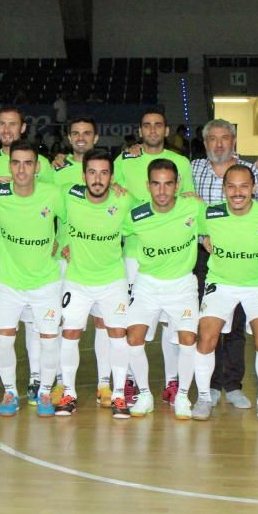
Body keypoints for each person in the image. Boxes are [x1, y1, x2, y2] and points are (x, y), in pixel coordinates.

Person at [116, 108, 196, 405]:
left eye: (157, 125)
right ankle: (131, 382)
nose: (151, 130)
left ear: (166, 130)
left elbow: (188, 201)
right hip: (136, 253)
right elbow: (109, 186)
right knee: (133, 325)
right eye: (146, 125)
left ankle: (173, 382)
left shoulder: (181, 163)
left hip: (173, 259)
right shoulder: (126, 158)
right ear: (140, 130)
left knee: (169, 324)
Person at [191, 118, 258, 410]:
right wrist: (202, 236)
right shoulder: (193, 168)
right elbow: (182, 205)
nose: (219, 144)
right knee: (210, 325)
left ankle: (233, 384)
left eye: (225, 138)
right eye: (213, 138)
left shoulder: (250, 170)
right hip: (206, 255)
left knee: (237, 324)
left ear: (233, 141)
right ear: (205, 142)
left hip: (245, 257)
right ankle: (210, 386)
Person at [0, 106, 55, 404]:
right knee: (0, 325)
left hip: (38, 260)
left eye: (13, 124)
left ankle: (38, 382)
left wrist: (61, 240)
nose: (8, 129)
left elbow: (65, 207)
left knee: (38, 326)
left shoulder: (46, 172)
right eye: (2, 124)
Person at [0, 140, 65, 417]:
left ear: (37, 167)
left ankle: (44, 391)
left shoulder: (52, 194)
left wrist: (63, 243)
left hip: (46, 281)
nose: (21, 169)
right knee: (4, 339)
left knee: (48, 339)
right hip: (10, 281)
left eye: (28, 163)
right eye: (16, 163)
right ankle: (9, 390)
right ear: (9, 166)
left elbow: (71, 218)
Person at [122, 159, 204, 418]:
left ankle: (182, 397)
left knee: (188, 339)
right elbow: (105, 227)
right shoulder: (136, 215)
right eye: (156, 184)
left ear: (177, 185)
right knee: (133, 337)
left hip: (182, 284)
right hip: (147, 284)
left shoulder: (193, 207)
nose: (162, 190)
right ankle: (144, 394)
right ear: (148, 185)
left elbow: (225, 222)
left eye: (168, 184)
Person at [57, 148, 135, 418]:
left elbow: (155, 213)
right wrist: (63, 242)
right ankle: (68, 393)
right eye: (92, 172)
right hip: (77, 280)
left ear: (112, 177)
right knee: (70, 334)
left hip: (113, 281)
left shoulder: (124, 201)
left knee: (117, 335)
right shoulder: (69, 194)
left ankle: (117, 395)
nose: (97, 179)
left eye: (104, 173)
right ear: (83, 175)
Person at [52, 117, 118, 404]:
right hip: (68, 258)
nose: (81, 137)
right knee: (65, 324)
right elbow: (47, 209)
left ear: (96, 137)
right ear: (69, 138)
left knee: (103, 323)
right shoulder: (56, 171)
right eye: (76, 133)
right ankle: (60, 383)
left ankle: (104, 384)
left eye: (87, 133)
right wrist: (62, 243)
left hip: (102, 259)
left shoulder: (107, 173)